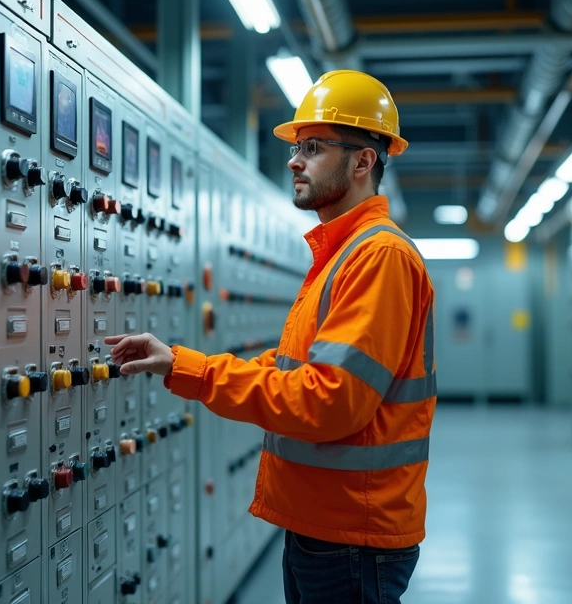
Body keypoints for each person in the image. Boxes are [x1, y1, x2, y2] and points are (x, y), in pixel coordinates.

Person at [105, 70, 436, 604]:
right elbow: (290, 365)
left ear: (362, 161)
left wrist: (201, 375)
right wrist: (182, 364)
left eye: (312, 147)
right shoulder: (341, 254)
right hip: (326, 524)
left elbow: (329, 401)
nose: (293, 160)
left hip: (352, 533)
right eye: (297, 147)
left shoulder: (378, 257)